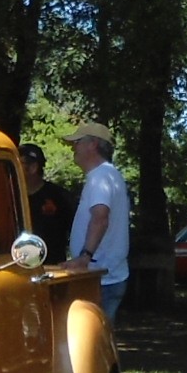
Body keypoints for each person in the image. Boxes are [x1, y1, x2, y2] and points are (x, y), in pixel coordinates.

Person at [62, 121, 132, 324]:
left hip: (98, 278)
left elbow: (100, 217)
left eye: (77, 142)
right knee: (102, 342)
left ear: (92, 145)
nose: (73, 148)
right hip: (111, 274)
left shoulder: (100, 177)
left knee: (90, 345)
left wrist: (85, 257)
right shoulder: (111, 175)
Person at [20, 143, 75, 266]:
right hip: (16, 268)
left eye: (19, 164)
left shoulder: (59, 196)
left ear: (33, 167)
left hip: (52, 269)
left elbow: (75, 230)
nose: (14, 169)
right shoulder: (10, 196)